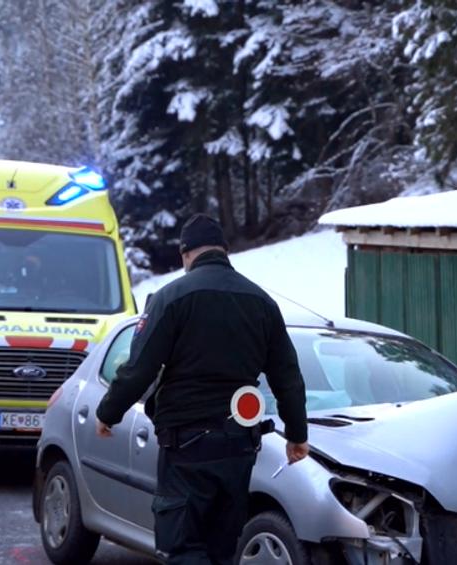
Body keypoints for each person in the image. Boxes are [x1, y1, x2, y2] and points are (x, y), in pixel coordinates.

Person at [95, 213, 309, 565]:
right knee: (222, 550)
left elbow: (139, 369)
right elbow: (288, 376)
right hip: (239, 445)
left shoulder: (171, 297)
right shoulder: (261, 303)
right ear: (225, 251)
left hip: (186, 446)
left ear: (185, 255)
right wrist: (297, 433)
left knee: (182, 547)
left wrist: (108, 413)